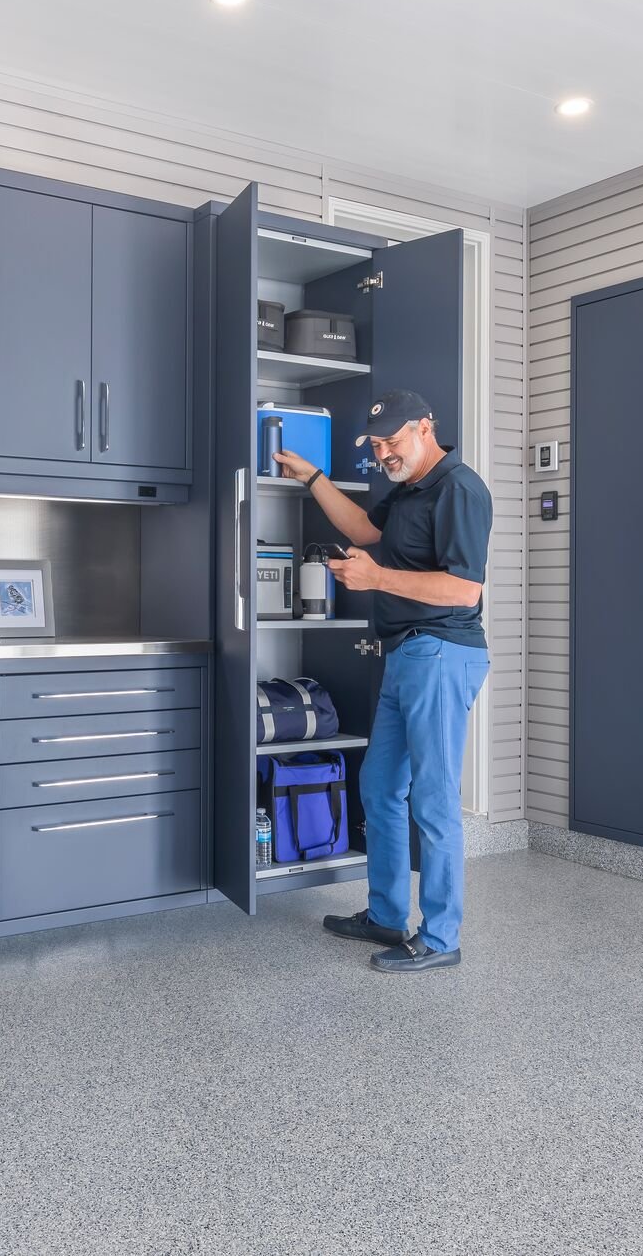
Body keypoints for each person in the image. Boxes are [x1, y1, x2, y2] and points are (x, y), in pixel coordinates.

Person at [273, 389, 491, 973]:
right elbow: (368, 532)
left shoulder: (459, 489)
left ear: (426, 426)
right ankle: (387, 915)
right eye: (375, 443)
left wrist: (377, 580)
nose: (383, 451)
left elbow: (464, 590)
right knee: (379, 787)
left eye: (392, 440)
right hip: (406, 655)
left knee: (434, 798)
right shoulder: (408, 490)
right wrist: (313, 476)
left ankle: (442, 939)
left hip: (443, 653)